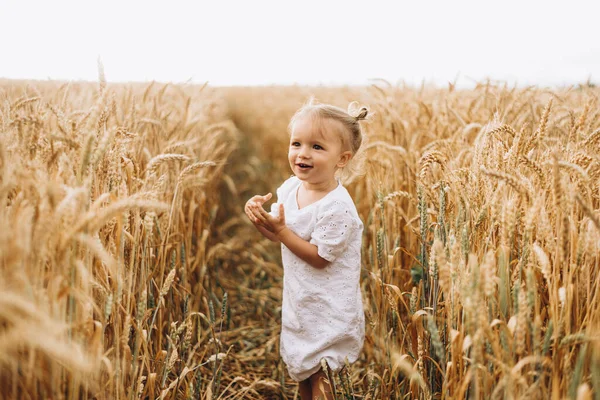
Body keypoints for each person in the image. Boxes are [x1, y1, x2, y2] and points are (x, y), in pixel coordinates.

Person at [244, 99, 368, 399]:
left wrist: (282, 231)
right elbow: (278, 233)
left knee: (323, 377)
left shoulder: (338, 208)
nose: (302, 153)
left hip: (331, 309)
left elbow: (320, 258)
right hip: (301, 302)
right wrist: (260, 218)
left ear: (342, 158)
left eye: (317, 147)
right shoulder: (290, 188)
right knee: (302, 372)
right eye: (296, 143)